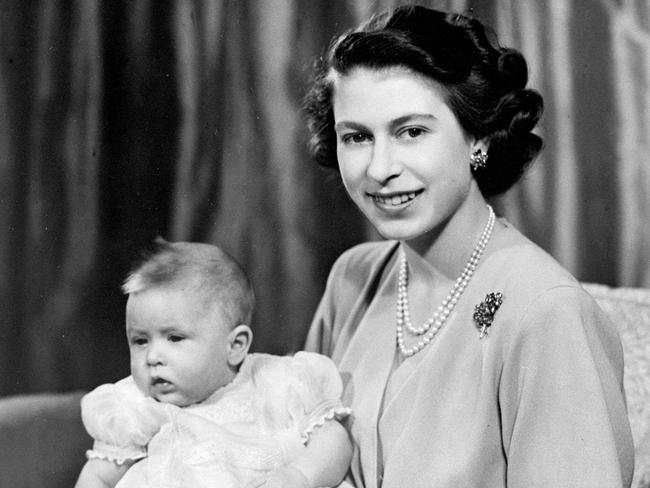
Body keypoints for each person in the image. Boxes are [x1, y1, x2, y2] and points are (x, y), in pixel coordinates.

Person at [303, 5, 634, 488]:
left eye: (411, 132)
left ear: (478, 135)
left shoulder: (546, 312)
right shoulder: (352, 278)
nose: (379, 169)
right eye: (356, 137)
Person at [74, 239, 352, 488]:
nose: (152, 357)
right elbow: (97, 476)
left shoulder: (275, 381)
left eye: (174, 338)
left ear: (235, 346)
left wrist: (300, 476)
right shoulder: (137, 406)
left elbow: (332, 441)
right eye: (140, 341)